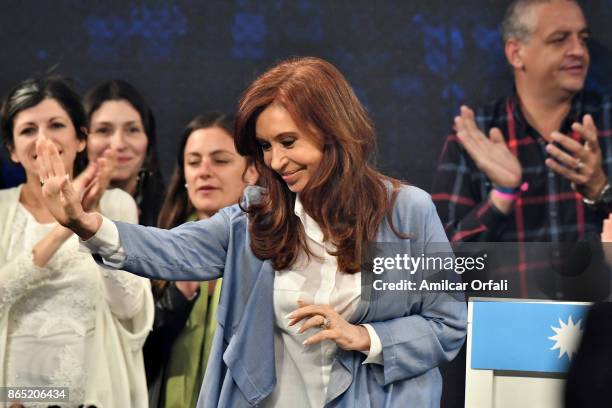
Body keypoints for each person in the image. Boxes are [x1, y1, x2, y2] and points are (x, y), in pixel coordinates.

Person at [37, 57, 467, 407]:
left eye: (288, 141)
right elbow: (172, 249)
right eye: (265, 147)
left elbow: (446, 325)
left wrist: (366, 336)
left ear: (333, 130)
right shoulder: (257, 214)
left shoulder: (406, 211)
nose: (277, 161)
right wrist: (86, 223)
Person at [432, 0, 612, 298]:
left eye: (582, 39)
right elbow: (437, 269)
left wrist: (601, 191)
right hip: (509, 331)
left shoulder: (605, 122)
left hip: (599, 332)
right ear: (516, 53)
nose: (578, 51)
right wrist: (500, 198)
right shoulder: (477, 135)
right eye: (559, 39)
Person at [0, 75, 153, 407]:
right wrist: (67, 226)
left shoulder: (115, 206)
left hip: (95, 395)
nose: (43, 141)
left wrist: (91, 223)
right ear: (12, 149)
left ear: (81, 138)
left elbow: (130, 308)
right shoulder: (1, 210)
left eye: (56, 125)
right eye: (28, 130)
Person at [145, 113, 257, 407]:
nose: (204, 171)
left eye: (220, 161)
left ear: (252, 171)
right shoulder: (156, 248)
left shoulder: (273, 253)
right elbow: (134, 357)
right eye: (193, 162)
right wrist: (179, 294)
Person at [84, 80, 165, 226]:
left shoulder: (172, 214)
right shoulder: (58, 209)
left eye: (132, 130)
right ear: (81, 141)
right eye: (103, 130)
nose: (119, 144)